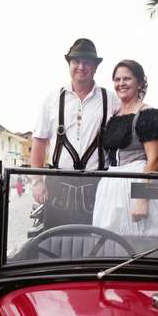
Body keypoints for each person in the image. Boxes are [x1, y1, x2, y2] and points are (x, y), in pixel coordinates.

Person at [31, 38, 119, 227]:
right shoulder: (52, 99)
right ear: (69, 65)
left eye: (87, 62)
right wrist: (38, 181)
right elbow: (39, 140)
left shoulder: (111, 99)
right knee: (55, 244)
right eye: (76, 61)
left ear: (95, 67)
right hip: (58, 185)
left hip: (98, 185)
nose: (81, 66)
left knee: (96, 244)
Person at [92, 60, 158, 236]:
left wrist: (142, 198)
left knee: (137, 240)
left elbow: (155, 159)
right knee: (108, 241)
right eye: (117, 79)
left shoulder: (147, 114)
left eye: (127, 78)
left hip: (135, 184)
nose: (121, 84)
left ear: (140, 82)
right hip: (111, 186)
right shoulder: (115, 115)